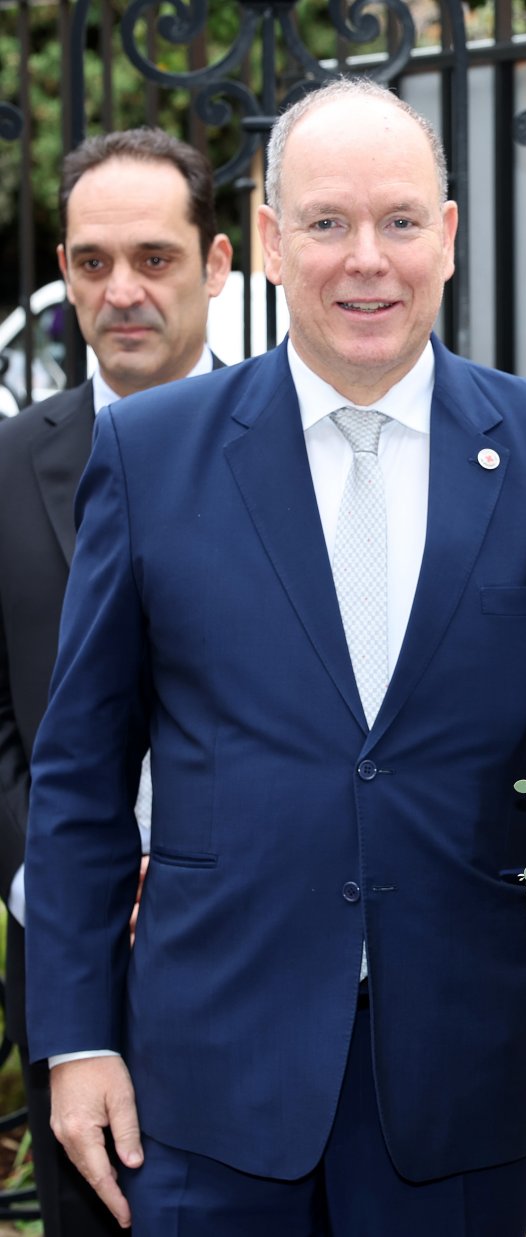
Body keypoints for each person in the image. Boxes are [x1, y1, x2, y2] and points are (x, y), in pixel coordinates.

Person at [23, 77, 526, 1236]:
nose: (368, 261)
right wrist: (79, 1035)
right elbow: (82, 771)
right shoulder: (151, 454)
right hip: (208, 1071)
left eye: (400, 221)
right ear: (274, 241)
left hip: (466, 1072)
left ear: (448, 236)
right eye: (330, 224)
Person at [0, 126, 233, 1237]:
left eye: (155, 257)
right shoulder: (4, 469)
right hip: (73, 959)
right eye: (92, 263)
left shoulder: (293, 449)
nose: (122, 290)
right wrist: (56, 885)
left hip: (259, 945)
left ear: (221, 264)